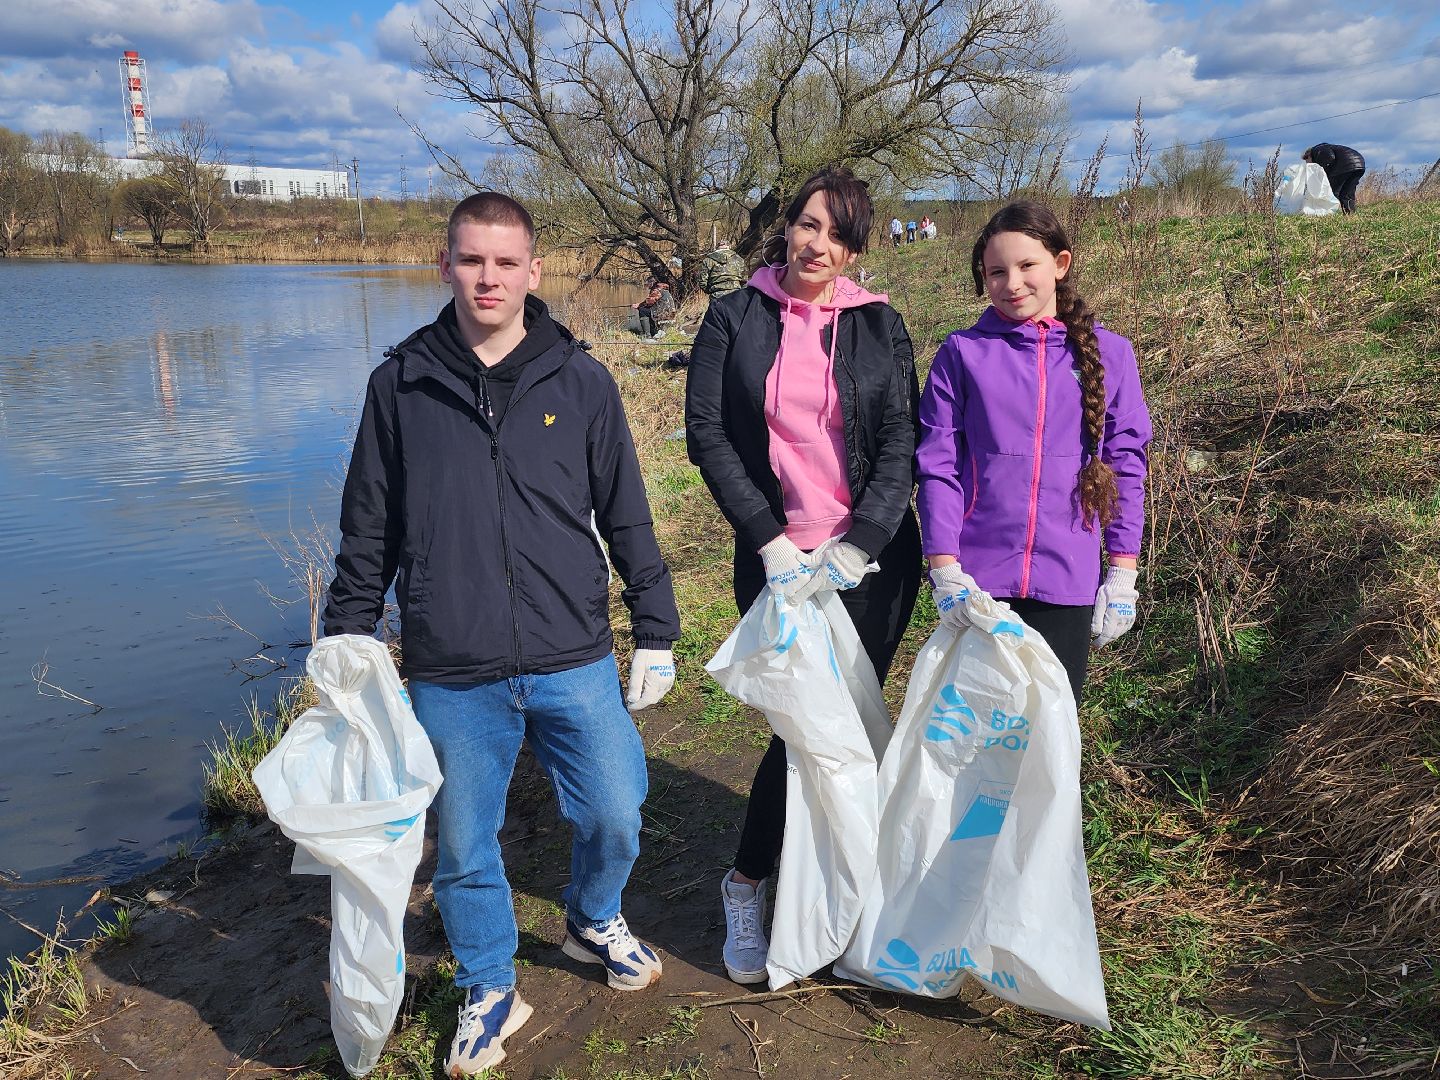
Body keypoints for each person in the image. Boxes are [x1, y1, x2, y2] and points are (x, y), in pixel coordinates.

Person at [322, 192, 680, 1076]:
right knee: (465, 841)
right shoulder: (399, 384)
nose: (489, 277)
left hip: (572, 651)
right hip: (452, 661)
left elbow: (626, 513)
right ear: (446, 264)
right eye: (472, 260)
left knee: (615, 809)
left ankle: (593, 917)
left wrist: (657, 626)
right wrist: (346, 637)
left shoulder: (583, 380)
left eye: (506, 261)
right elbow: (368, 528)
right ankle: (489, 983)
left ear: (534, 269)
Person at [684, 165, 922, 985]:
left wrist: (862, 541)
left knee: (849, 734)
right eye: (810, 225)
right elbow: (708, 435)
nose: (821, 244)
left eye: (841, 233)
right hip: (778, 567)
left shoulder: (881, 325)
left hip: (872, 567)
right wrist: (768, 540)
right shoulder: (733, 317)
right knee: (800, 731)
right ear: (787, 227)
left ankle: (840, 897)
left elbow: (901, 442)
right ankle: (747, 885)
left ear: (857, 247)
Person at [916, 199, 1151, 705]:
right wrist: (944, 566)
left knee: (1047, 736)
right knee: (973, 737)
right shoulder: (962, 353)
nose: (1012, 283)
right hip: (978, 585)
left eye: (1027, 265)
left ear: (1060, 265)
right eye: (996, 271)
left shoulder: (1112, 354)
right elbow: (937, 465)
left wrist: (1124, 569)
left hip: (1068, 579)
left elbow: (1126, 465)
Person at [1302, 143, 1366, 214]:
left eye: (1307, 162)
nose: (1308, 165)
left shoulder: (1317, 150)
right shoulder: (1325, 147)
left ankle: (1328, 213)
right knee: (1347, 193)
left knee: (1332, 192)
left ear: (1308, 156)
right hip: (1360, 164)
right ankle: (1350, 214)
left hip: (1345, 166)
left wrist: (1325, 172)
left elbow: (1330, 156)